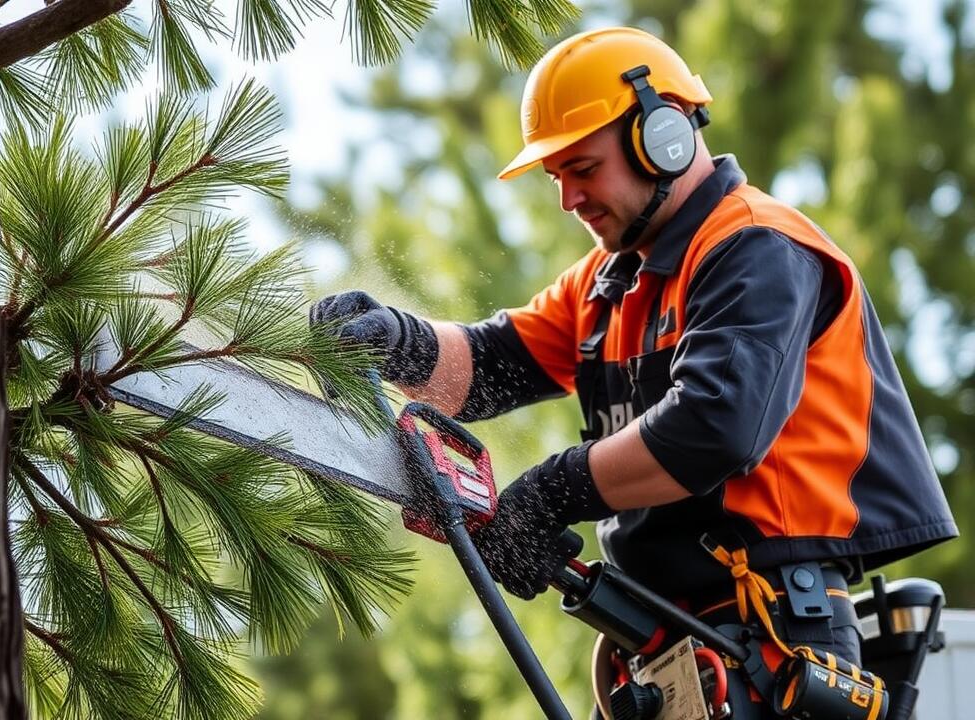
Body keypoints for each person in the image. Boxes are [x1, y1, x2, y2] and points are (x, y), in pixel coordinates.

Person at [311, 26, 957, 717]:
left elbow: (713, 427)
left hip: (771, 638)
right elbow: (491, 365)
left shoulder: (757, 247)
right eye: (557, 178)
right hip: (664, 640)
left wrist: (553, 492)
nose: (568, 199)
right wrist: (398, 341)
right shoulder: (610, 283)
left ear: (663, 136)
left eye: (583, 169)